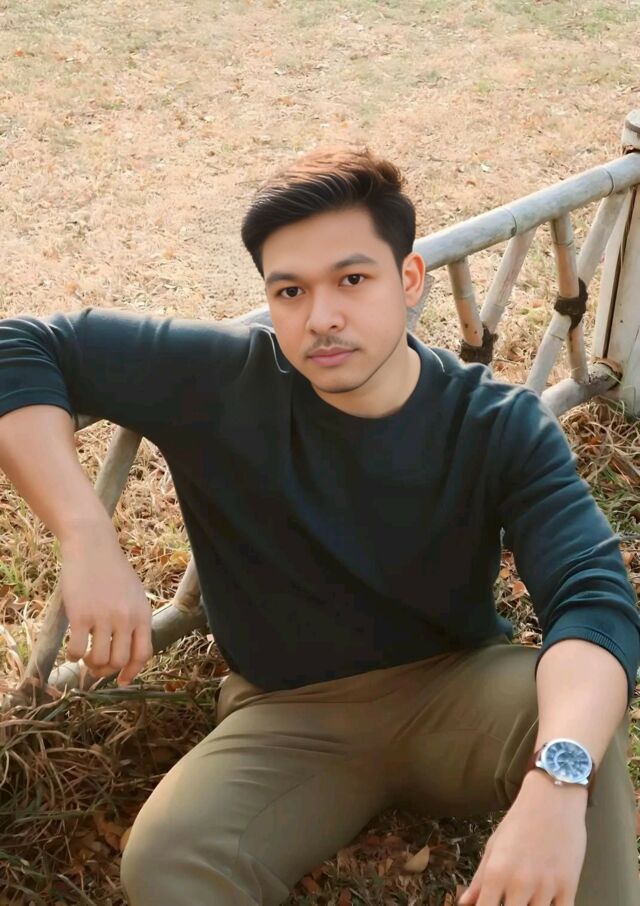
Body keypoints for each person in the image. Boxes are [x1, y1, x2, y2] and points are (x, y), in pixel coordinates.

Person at [0, 149, 638, 906]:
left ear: (409, 280)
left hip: (458, 687)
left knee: (577, 730)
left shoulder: (497, 423)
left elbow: (594, 602)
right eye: (290, 290)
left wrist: (557, 784)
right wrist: (85, 533)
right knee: (170, 859)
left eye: (353, 280)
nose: (321, 317)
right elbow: (21, 345)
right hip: (286, 715)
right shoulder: (222, 380)